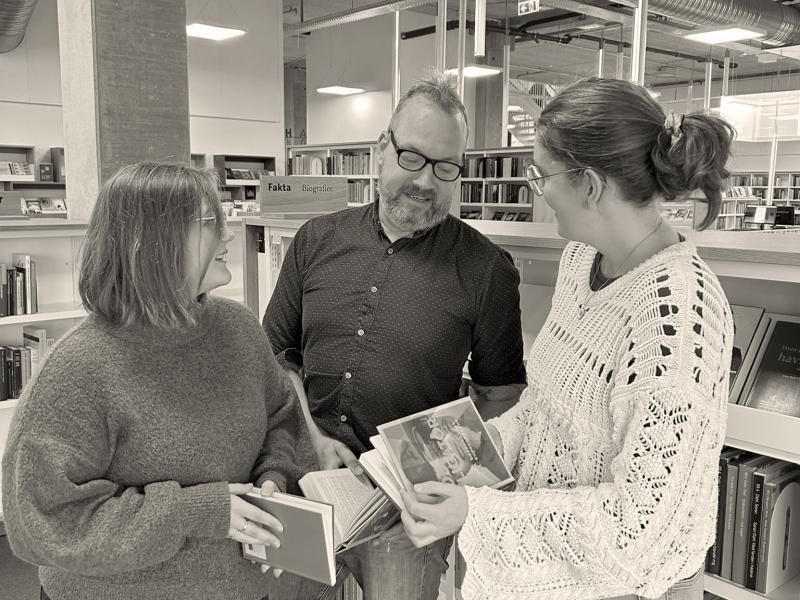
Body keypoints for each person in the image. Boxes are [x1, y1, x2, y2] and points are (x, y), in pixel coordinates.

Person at [399, 77, 736, 600]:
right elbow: (544, 410)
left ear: (590, 184)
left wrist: (476, 511)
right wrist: (465, 449)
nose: (538, 189)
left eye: (542, 174)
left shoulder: (679, 312)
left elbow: (638, 528)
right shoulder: (582, 260)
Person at [264, 71, 527, 600]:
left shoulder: (486, 270)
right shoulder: (316, 241)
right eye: (412, 157)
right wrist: (313, 439)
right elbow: (275, 354)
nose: (427, 181)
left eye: (446, 167)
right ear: (381, 148)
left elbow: (501, 396)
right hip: (308, 486)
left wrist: (457, 482)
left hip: (406, 514)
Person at [1, 162, 305, 600]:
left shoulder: (239, 329)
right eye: (210, 223)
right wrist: (190, 512)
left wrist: (274, 476)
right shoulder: (79, 369)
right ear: (151, 245)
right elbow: (44, 522)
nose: (230, 235)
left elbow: (281, 418)